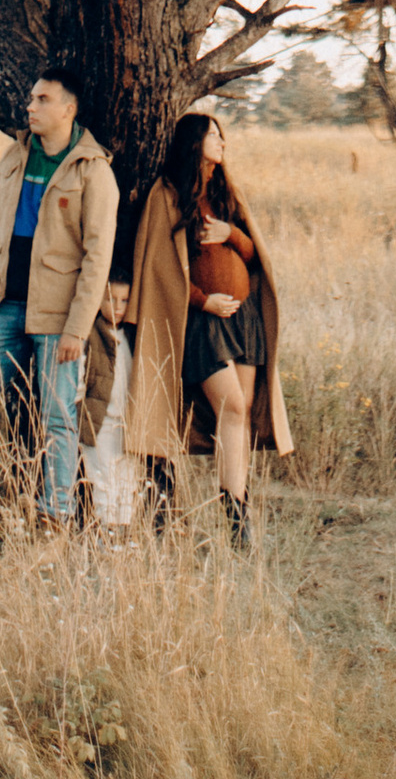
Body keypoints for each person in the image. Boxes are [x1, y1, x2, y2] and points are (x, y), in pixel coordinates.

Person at [0, 66, 118, 525]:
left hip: (58, 318)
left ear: (69, 108)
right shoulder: (14, 156)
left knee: (58, 421)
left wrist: (77, 330)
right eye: (31, 99)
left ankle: (54, 519)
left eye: (42, 99)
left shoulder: (94, 170)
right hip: (6, 309)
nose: (30, 107)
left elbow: (97, 258)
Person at [119, 109, 291, 545]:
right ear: (194, 142)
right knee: (230, 407)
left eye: (222, 135)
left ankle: (238, 519)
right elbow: (161, 268)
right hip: (202, 322)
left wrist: (230, 234)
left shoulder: (227, 192)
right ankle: (230, 512)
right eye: (214, 135)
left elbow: (253, 255)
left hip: (244, 318)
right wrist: (202, 300)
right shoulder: (168, 193)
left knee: (243, 417)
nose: (222, 142)